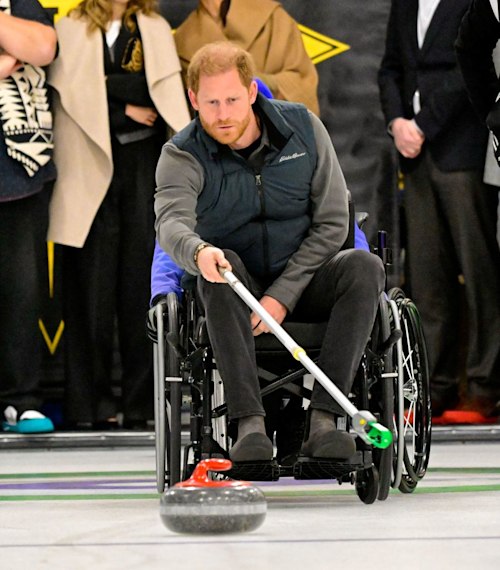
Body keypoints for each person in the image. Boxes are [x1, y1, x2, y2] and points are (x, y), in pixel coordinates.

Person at [155, 41, 385, 463]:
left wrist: (282, 297)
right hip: (235, 287)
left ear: (252, 92)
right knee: (219, 266)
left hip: (305, 281)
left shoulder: (305, 129)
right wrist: (197, 250)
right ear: (193, 100)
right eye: (210, 103)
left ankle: (324, 422)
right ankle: (250, 425)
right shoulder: (181, 154)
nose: (222, 113)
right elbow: (170, 222)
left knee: (364, 267)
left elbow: (334, 223)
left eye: (231, 99)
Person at [47, 0, 190, 429]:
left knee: (139, 290)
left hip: (143, 168)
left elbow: (161, 95)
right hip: (86, 169)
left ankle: (143, 406)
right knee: (88, 295)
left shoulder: (153, 27)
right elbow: (72, 96)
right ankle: (87, 406)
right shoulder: (70, 28)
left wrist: (108, 88)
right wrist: (123, 104)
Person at [378, 0, 500, 421]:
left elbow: (470, 68)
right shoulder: (404, 3)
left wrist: (423, 125)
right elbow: (390, 67)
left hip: (462, 149)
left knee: (480, 271)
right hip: (414, 158)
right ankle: (434, 388)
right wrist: (396, 121)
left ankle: (485, 387)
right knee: (428, 278)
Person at [0, 0, 57, 434]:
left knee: (24, 292)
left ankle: (22, 399)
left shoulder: (20, 3)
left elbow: (42, 47)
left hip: (21, 169)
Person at [173, 0, 320, 115]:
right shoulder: (183, 41)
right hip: (220, 147)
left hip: (278, 137)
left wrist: (258, 82)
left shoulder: (274, 18)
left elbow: (302, 82)